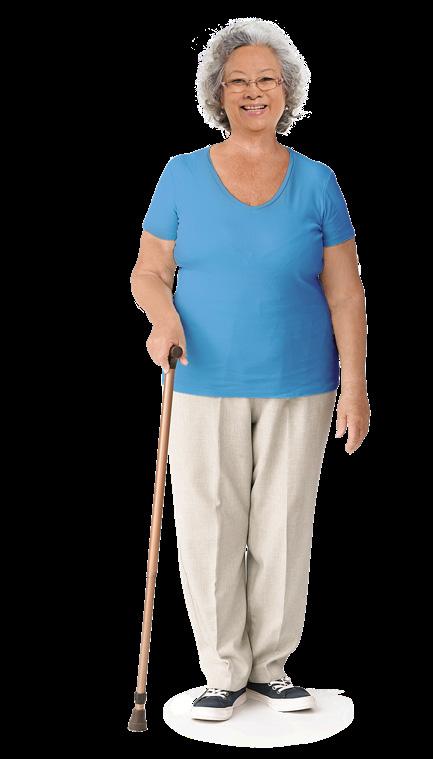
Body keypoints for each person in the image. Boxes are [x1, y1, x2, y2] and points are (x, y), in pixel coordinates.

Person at [131, 18, 370, 722]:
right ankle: (222, 670)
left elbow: (346, 292)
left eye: (266, 79)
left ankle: (270, 667)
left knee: (283, 524)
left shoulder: (318, 181)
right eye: (237, 80)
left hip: (302, 380)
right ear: (218, 93)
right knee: (209, 522)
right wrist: (162, 319)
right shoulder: (181, 173)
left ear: (287, 91)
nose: (252, 91)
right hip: (201, 379)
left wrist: (355, 386)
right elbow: (149, 271)